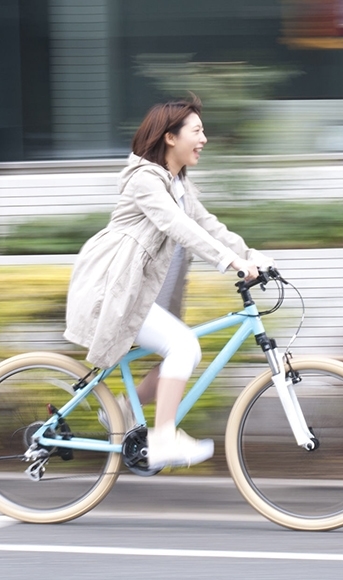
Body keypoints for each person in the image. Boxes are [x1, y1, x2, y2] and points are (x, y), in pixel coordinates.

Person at [64, 95, 272, 470]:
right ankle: (162, 439)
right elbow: (177, 226)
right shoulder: (145, 179)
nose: (204, 138)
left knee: (174, 358)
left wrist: (250, 255)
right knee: (183, 346)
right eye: (197, 130)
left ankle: (124, 408)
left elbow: (208, 226)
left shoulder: (179, 186)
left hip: (144, 294)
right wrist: (230, 262)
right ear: (170, 137)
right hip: (119, 290)